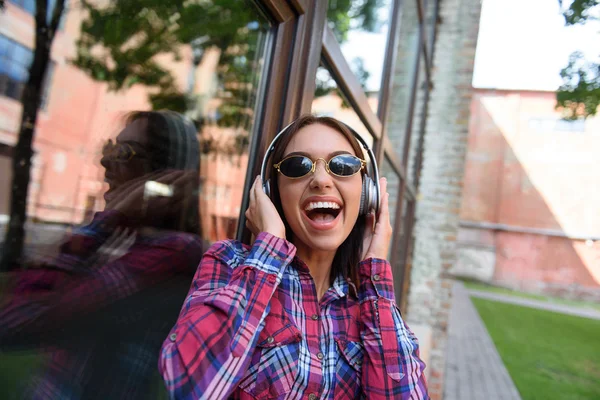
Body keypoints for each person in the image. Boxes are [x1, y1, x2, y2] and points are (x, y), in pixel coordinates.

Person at [159, 115, 428, 399]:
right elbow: (185, 386)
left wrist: (375, 269)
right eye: (298, 165)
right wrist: (270, 244)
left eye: (343, 165)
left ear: (367, 195)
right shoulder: (228, 264)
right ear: (272, 192)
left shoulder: (367, 305)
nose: (322, 180)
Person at [0, 111, 207, 399]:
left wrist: (105, 222)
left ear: (164, 175)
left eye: (125, 152)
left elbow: (16, 320)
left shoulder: (173, 251)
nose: (105, 161)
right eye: (110, 147)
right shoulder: (124, 241)